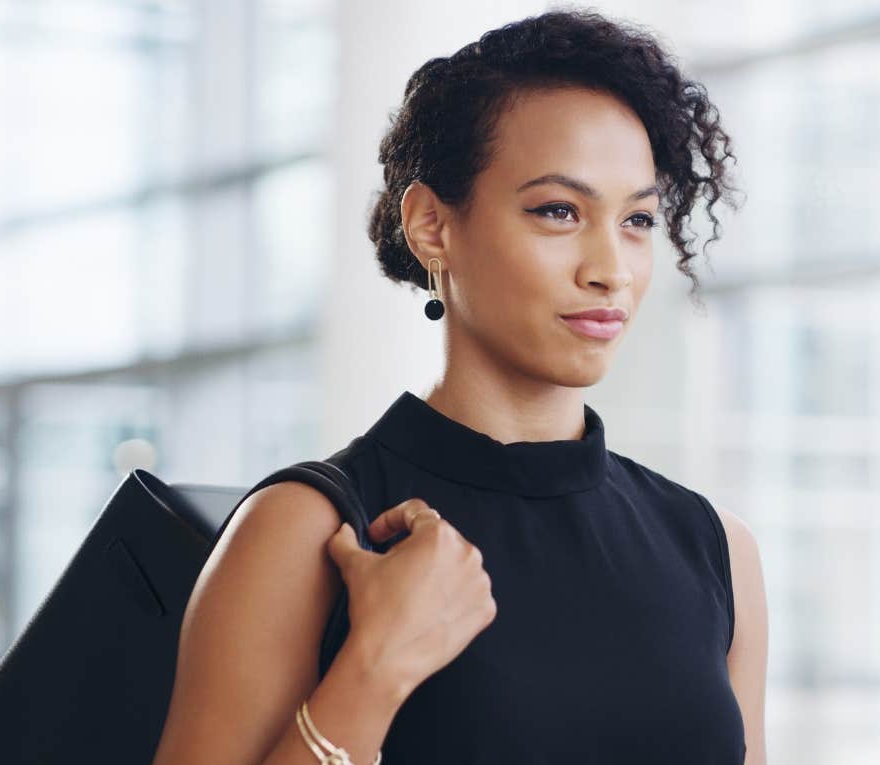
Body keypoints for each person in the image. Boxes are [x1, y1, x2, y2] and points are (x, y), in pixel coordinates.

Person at [152, 8, 766, 765]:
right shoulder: (306, 533)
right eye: (558, 211)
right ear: (433, 228)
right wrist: (375, 668)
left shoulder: (715, 547)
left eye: (638, 219)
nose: (610, 268)